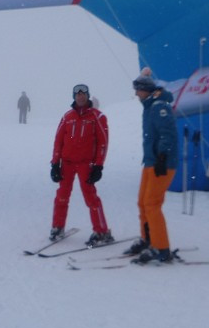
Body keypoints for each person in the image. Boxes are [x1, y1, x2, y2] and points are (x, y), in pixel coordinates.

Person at [124, 69, 179, 263]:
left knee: (152, 204)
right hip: (150, 162)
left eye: (138, 89)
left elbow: (168, 134)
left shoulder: (158, 107)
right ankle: (148, 239)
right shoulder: (149, 106)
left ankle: (161, 248)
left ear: (146, 90)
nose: (136, 93)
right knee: (143, 202)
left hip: (161, 163)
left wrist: (162, 157)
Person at [49, 83, 113, 246]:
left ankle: (101, 231)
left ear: (87, 96)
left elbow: (102, 143)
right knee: (62, 196)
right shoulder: (67, 117)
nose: (80, 96)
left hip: (86, 164)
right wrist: (55, 163)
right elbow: (58, 141)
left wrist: (99, 166)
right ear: (74, 97)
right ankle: (58, 227)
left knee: (91, 197)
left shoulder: (97, 117)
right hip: (67, 164)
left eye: (83, 94)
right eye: (77, 94)